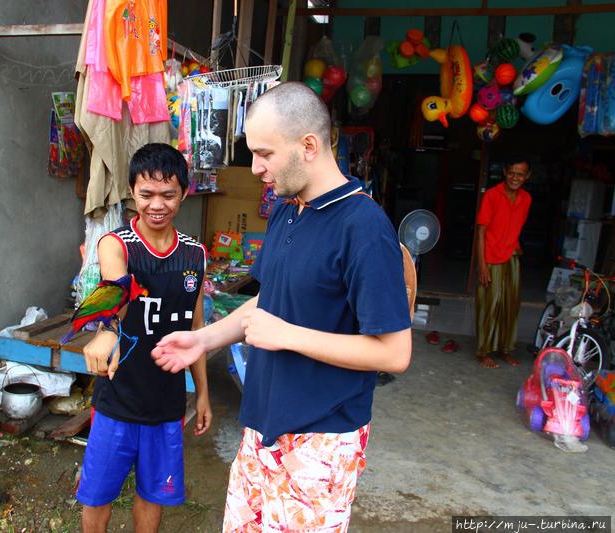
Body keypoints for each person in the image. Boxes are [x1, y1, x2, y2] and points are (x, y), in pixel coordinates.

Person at [151, 82, 412, 532]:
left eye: (265, 154)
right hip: (262, 424)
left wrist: (286, 334)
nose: (255, 168)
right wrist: (203, 339)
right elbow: (270, 301)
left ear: (308, 145)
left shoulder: (363, 227)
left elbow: (394, 353)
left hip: (321, 440)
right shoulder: (287, 211)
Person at [75, 143, 212, 533]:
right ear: (132, 192)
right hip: (116, 402)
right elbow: (116, 288)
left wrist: (201, 392)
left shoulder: (195, 256)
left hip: (166, 406)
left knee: (153, 496)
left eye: (168, 194)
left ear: (184, 193)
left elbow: (196, 329)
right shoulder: (116, 244)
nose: (157, 204)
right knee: (96, 497)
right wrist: (108, 330)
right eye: (146, 194)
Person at [475, 156, 532, 369]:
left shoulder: (526, 199)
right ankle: (483, 351)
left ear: (527, 177)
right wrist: (481, 265)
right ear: (505, 173)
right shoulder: (492, 195)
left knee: (511, 305)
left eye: (520, 174)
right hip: (490, 258)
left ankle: (505, 349)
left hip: (512, 257)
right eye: (511, 173)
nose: (515, 178)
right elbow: (481, 231)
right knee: (489, 305)